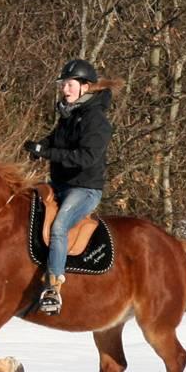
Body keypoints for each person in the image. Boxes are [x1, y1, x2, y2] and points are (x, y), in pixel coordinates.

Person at [23, 59, 118, 315]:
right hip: (60, 184)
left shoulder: (96, 120)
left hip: (84, 189)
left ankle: (53, 287)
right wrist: (38, 147)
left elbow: (86, 157)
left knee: (60, 226)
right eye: (63, 84)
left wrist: (49, 152)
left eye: (70, 84)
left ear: (84, 87)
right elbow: (53, 140)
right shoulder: (68, 115)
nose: (65, 89)